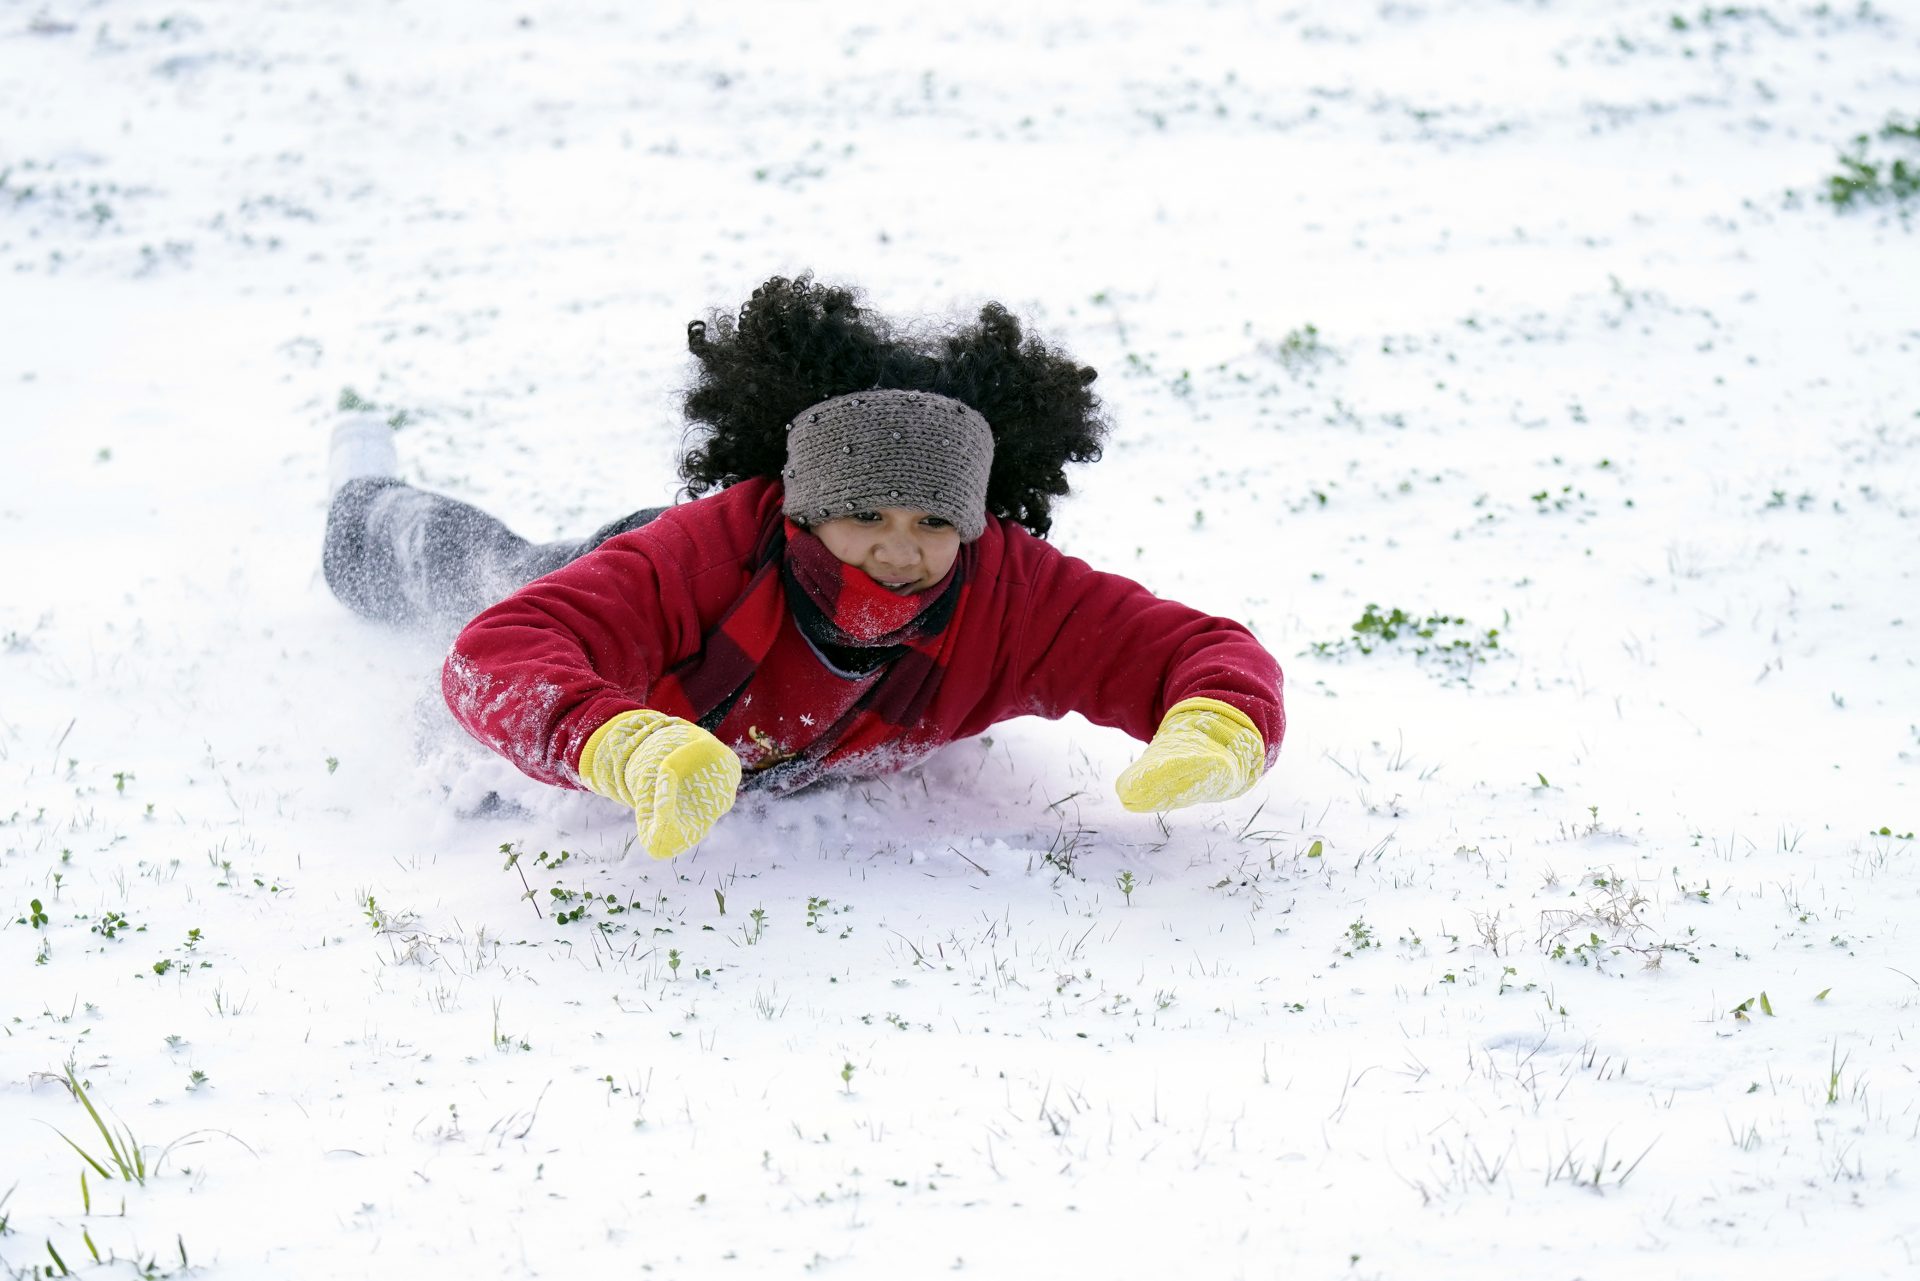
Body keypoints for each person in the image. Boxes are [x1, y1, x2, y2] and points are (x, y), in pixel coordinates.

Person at [323, 274, 1285, 859]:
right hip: (627, 611)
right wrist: (623, 745)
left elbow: (1184, 649)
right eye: (864, 515)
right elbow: (496, 653)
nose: (900, 548)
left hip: (770, 742)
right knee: (499, 572)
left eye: (932, 521)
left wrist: (1216, 722)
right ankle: (364, 506)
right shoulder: (705, 555)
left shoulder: (1010, 589)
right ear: (804, 509)